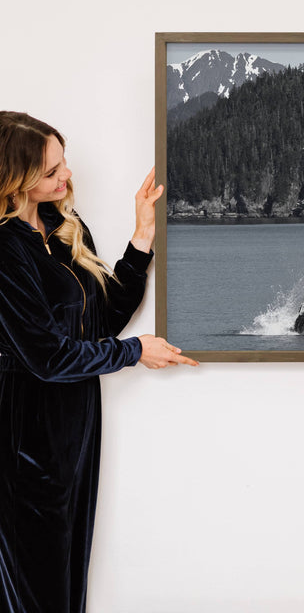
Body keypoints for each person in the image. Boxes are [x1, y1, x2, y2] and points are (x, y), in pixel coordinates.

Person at [0, 111, 198, 613]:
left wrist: (143, 235)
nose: (66, 177)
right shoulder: (4, 249)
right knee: (34, 589)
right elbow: (46, 357)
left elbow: (102, 318)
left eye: (63, 163)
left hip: (74, 430)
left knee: (65, 582)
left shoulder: (61, 223)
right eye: (51, 171)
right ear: (14, 179)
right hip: (22, 437)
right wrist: (135, 352)